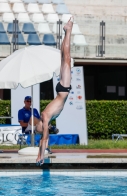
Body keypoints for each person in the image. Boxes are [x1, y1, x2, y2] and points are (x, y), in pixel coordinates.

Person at [36, 17, 74, 165]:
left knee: (66, 57)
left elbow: (43, 138)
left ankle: (67, 30)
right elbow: (43, 139)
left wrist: (41, 156)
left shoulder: (45, 116)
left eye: (41, 128)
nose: (41, 128)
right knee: (64, 57)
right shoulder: (46, 117)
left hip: (63, 89)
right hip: (62, 88)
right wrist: (40, 155)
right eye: (40, 128)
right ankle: (67, 31)